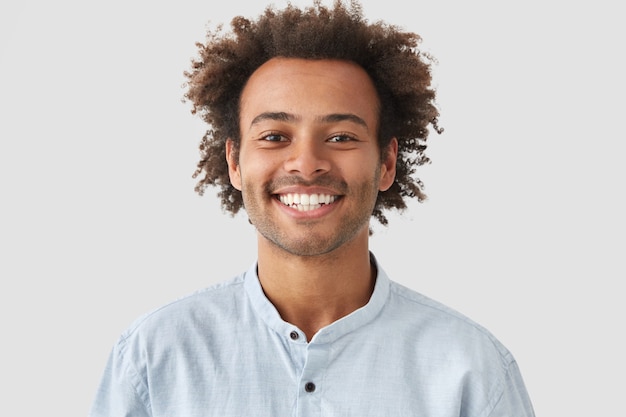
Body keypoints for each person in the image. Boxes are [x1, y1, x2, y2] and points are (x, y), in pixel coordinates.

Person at [89, 1, 535, 416]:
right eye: (274, 136)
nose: (306, 163)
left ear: (386, 163)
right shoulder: (152, 358)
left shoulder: (472, 371)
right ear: (234, 162)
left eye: (341, 137)